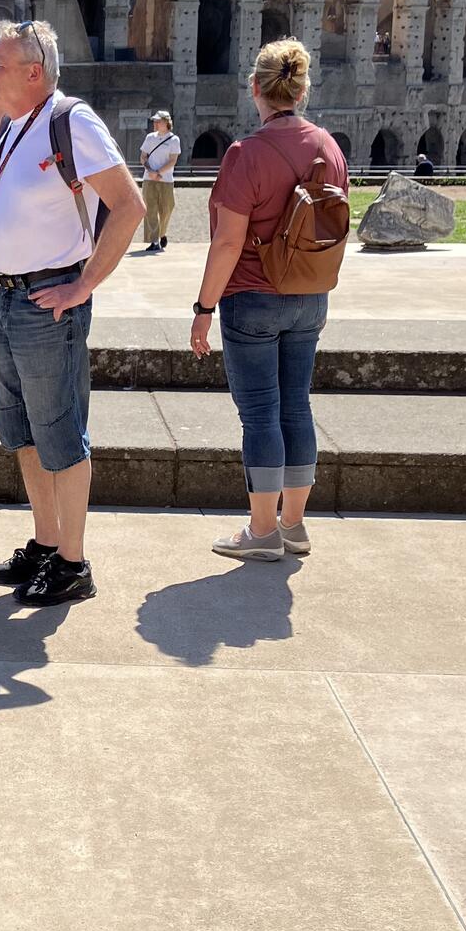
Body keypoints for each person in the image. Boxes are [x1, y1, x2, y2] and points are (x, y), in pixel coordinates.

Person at [0, 22, 143, 606]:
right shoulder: (13, 129)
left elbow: (129, 206)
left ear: (33, 73)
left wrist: (84, 285)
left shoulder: (71, 121)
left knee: (59, 432)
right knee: (23, 431)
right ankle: (46, 543)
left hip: (48, 301)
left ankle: (73, 563)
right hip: (9, 298)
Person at [190, 38, 348, 563]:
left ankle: (262, 533)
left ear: (255, 87)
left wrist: (204, 308)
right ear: (303, 89)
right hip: (310, 294)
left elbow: (228, 242)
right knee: (296, 405)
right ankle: (294, 525)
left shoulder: (245, 154)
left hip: (254, 297)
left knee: (260, 414)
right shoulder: (329, 147)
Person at [138, 108, 180, 251]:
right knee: (150, 209)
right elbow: (143, 157)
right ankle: (154, 240)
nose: (154, 123)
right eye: (154, 121)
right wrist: (150, 171)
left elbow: (173, 160)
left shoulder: (174, 140)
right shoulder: (150, 137)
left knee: (167, 209)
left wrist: (159, 172)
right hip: (149, 179)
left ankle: (162, 233)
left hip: (166, 180)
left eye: (158, 121)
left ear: (166, 122)